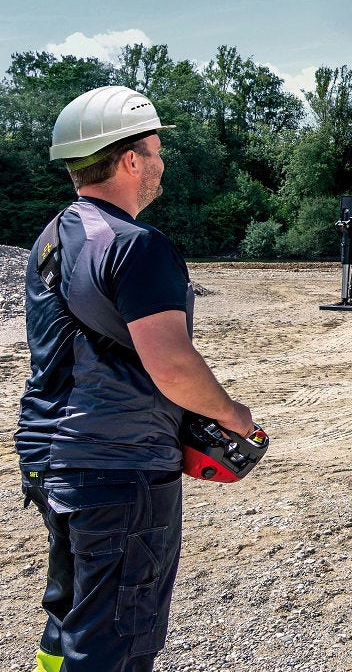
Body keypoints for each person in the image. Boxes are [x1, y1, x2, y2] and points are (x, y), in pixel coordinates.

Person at [15, 86, 257, 672]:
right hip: (117, 469)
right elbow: (172, 364)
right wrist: (232, 416)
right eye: (154, 150)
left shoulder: (53, 238)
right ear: (128, 160)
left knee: (71, 621)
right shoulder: (135, 246)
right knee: (117, 642)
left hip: (54, 460)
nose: (161, 162)